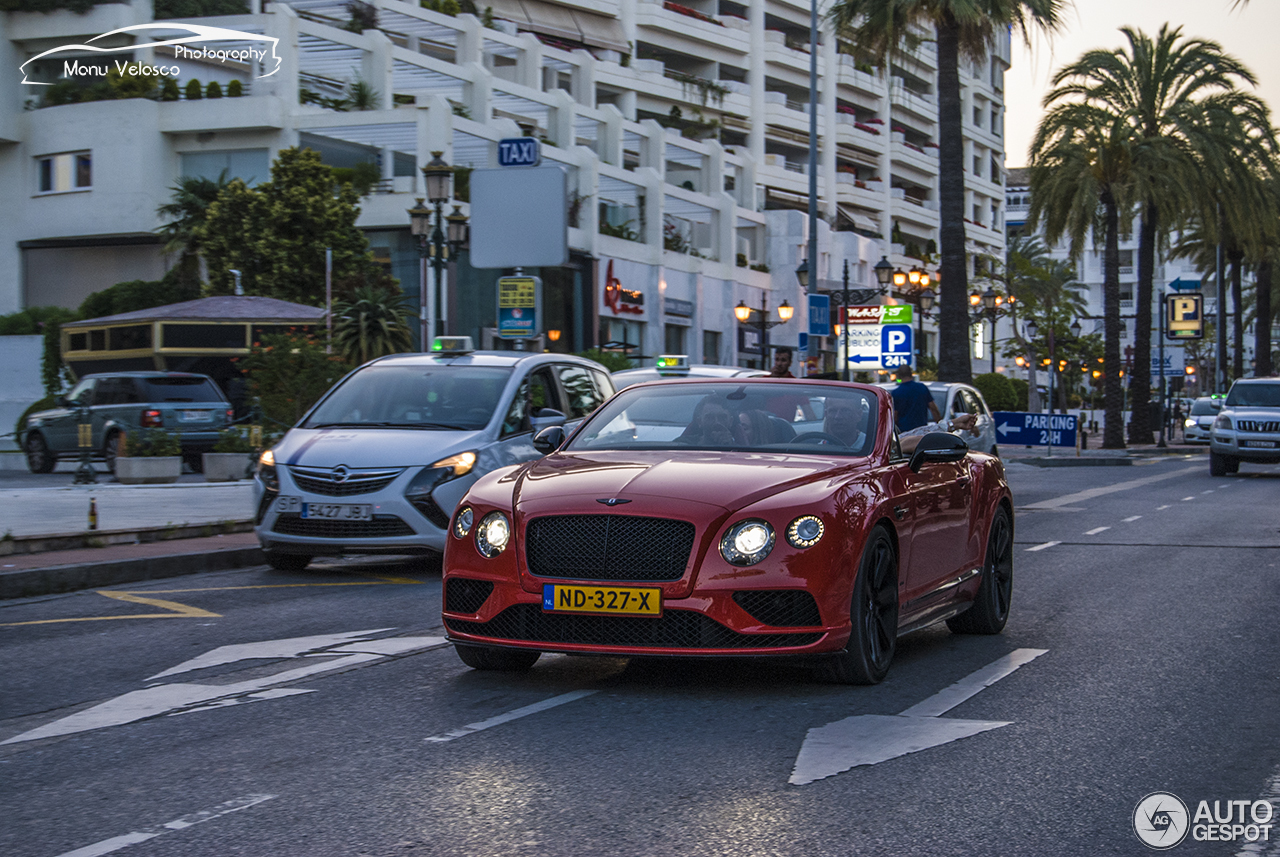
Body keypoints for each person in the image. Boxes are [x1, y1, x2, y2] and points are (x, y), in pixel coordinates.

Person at [890, 364, 941, 432]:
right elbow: (933, 408)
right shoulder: (922, 388)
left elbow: (894, 416)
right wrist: (940, 425)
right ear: (911, 374)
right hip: (922, 430)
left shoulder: (896, 393)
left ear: (899, 376)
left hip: (904, 432)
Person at [676, 395, 741, 446]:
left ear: (731, 421)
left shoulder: (742, 453)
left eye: (722, 418)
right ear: (699, 422)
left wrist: (729, 446)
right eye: (710, 417)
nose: (717, 422)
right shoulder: (682, 445)